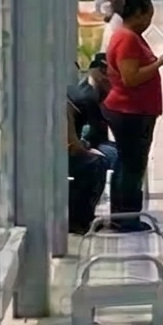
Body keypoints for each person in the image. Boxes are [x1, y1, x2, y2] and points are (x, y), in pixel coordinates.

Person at [101, 0, 163, 222]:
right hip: (129, 110)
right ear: (138, 14)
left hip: (137, 110)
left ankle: (127, 213)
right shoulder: (127, 38)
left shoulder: (131, 36)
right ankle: (125, 217)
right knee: (131, 164)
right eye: (148, 15)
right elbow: (130, 77)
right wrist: (160, 63)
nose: (149, 21)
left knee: (132, 163)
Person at [66, 99, 111, 234]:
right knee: (96, 164)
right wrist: (86, 149)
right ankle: (81, 219)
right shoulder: (63, 107)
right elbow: (73, 145)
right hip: (61, 157)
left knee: (102, 158)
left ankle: (82, 217)